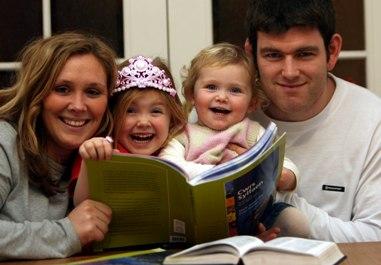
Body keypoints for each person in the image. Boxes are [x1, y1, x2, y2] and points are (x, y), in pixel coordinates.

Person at [245, 0, 381, 242]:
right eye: (273, 55)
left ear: (333, 51)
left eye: (304, 54)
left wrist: (278, 197)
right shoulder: (224, 115)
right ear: (251, 55)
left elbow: (376, 238)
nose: (289, 72)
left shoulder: (373, 120)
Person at [159, 43, 310, 239]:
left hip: (253, 215)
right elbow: (171, 166)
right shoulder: (183, 134)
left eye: (235, 91)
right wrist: (224, 173)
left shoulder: (252, 131)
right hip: (203, 216)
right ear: (191, 95)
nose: (222, 97)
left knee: (296, 224)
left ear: (252, 103)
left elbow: (281, 159)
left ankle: (259, 243)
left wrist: (286, 175)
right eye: (211, 87)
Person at [0, 32, 117, 259]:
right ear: (37, 94)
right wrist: (67, 233)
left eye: (93, 92)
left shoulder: (101, 155)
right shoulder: (5, 143)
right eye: (62, 89)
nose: (78, 105)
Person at [73, 55, 186, 205]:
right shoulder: (101, 150)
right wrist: (91, 163)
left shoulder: (179, 150)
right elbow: (81, 204)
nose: (143, 122)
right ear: (113, 115)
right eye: (130, 111)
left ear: (172, 118)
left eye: (156, 111)